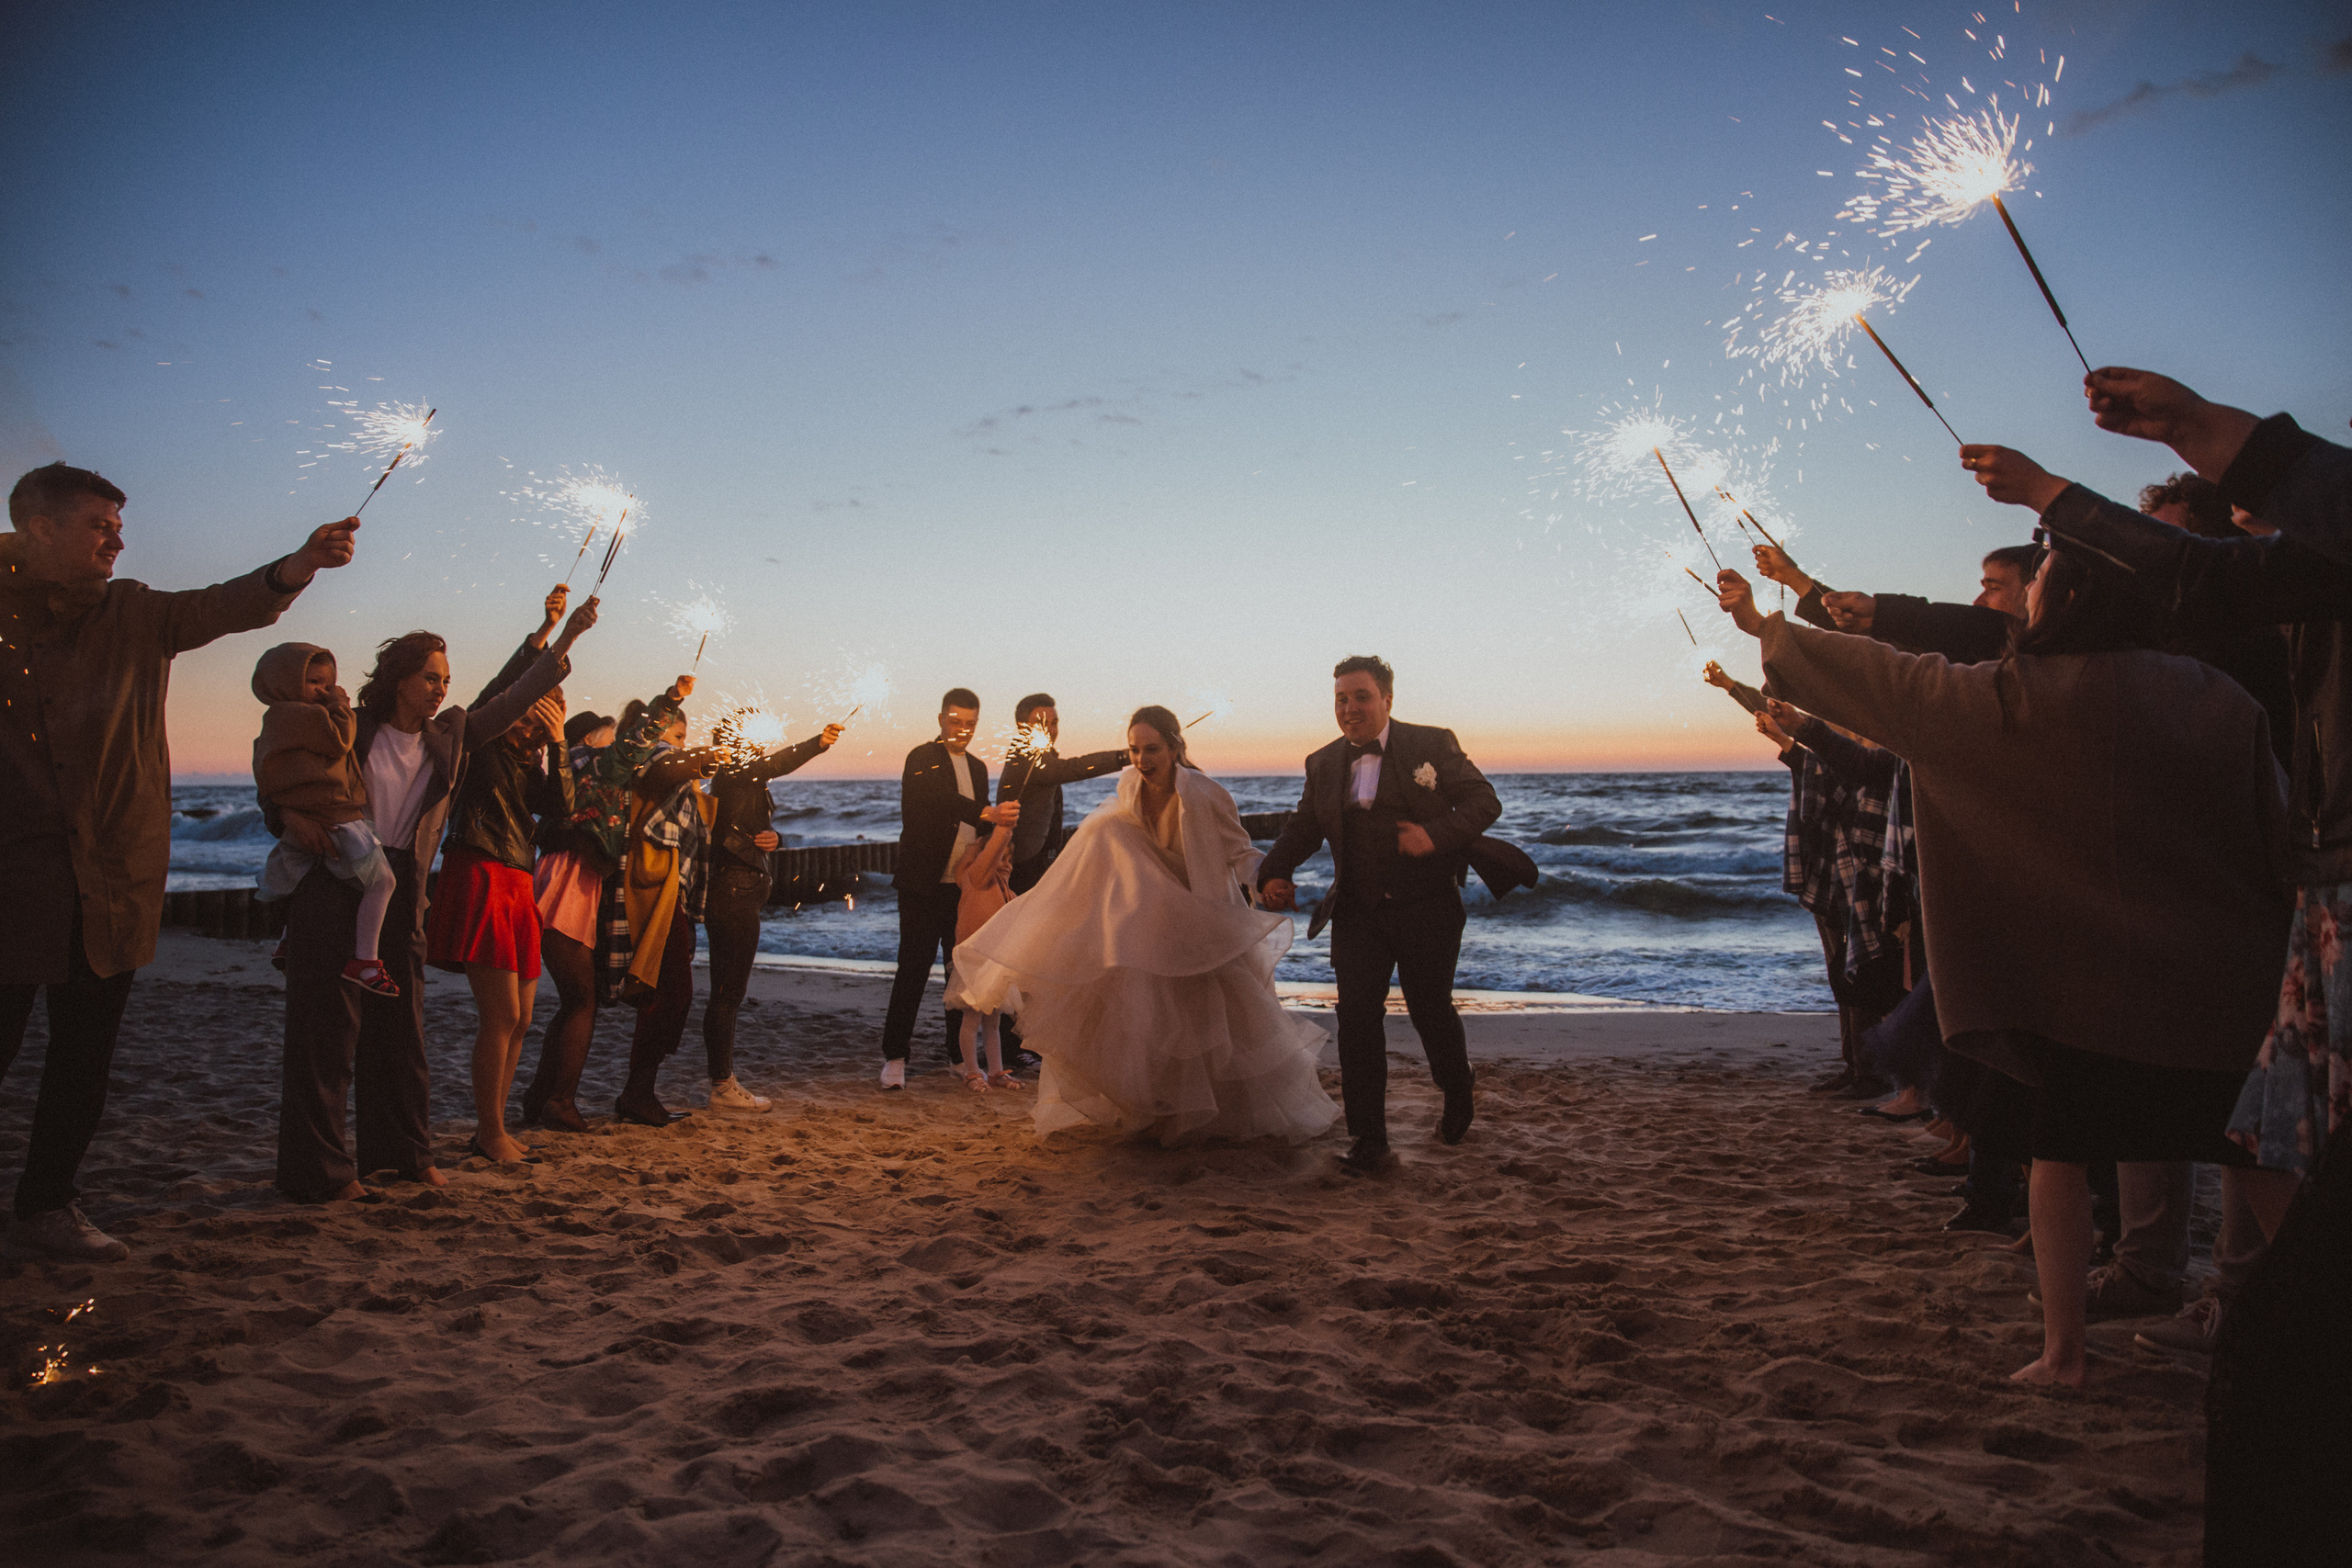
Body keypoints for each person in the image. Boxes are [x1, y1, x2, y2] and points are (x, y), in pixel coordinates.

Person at [1716, 551, 2290, 1387]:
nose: (2020, 601)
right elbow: (2276, 830)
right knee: (2252, 1155)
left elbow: (1892, 682)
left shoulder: (2015, 697)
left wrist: (1767, 629)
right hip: (2220, 985)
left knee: (2060, 1156)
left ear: (2066, 601)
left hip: (2091, 991)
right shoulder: (2222, 698)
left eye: (2038, 581)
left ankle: (2064, 1354)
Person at [3, 462, 356, 1258]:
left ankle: (46, 1206)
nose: (117, 540)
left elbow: (221, 605)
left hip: (112, 879)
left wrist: (299, 564)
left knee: (82, 1055)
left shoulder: (135, 611)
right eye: (99, 526)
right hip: (14, 877)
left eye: (118, 526)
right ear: (41, 529)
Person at [273, 592, 594, 1203]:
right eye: (429, 677)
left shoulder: (450, 737)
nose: (440, 689)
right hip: (334, 878)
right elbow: (284, 769)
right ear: (398, 679)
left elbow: (513, 697)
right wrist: (286, 813)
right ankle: (320, 1171)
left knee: (402, 1030)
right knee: (326, 1035)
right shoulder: (352, 728)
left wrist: (567, 636)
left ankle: (403, 1155)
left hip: (402, 885)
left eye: (445, 680)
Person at [952, 705, 1337, 1144]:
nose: (1141, 759)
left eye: (1152, 749)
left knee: (1211, 1023)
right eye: (1134, 750)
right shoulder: (1128, 786)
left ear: (1174, 747)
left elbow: (1239, 851)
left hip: (1201, 920)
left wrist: (1268, 880)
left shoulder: (1207, 793)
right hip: (1151, 925)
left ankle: (1214, 1116)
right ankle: (1157, 1111)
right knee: (1153, 1024)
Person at [1257, 656, 1503, 1173]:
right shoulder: (1322, 762)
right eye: (1341, 699)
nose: (1350, 708)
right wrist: (1273, 872)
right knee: (1356, 1021)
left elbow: (1484, 802)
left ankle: (1457, 1085)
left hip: (1427, 906)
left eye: (1361, 697)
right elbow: (1304, 827)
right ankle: (1369, 1140)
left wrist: (1433, 835)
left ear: (1387, 699)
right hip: (1357, 911)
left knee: (1430, 1010)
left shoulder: (1432, 743)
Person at [519, 683, 686, 1132]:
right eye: (609, 739)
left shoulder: (562, 773)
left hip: (558, 876)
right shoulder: (594, 766)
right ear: (588, 741)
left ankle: (538, 1096)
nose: (618, 748)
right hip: (571, 884)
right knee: (582, 1001)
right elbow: (636, 743)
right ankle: (560, 1101)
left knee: (572, 1000)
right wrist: (670, 700)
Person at [427, 671, 571, 1166]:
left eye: (547, 712)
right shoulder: (481, 744)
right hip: (482, 870)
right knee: (502, 1015)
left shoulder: (528, 761)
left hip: (518, 880)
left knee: (523, 1018)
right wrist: (549, 638)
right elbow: (499, 689)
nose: (534, 721)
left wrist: (559, 743)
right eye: (533, 708)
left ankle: (495, 1129)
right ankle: (489, 1133)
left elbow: (561, 807)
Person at [700, 707, 843, 1111]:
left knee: (727, 992)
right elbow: (776, 763)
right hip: (733, 891)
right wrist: (817, 744)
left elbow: (745, 827)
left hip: (739, 888)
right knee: (728, 993)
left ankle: (722, 1082)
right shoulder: (736, 769)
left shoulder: (743, 777)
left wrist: (772, 838)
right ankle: (722, 1085)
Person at [877, 689, 1017, 1090]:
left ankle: (958, 1057)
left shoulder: (977, 767)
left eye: (970, 724)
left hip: (962, 890)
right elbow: (938, 800)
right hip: (921, 885)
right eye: (955, 722)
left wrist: (1001, 830)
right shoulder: (921, 758)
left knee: (961, 975)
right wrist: (985, 811)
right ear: (941, 719)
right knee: (912, 971)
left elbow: (980, 823)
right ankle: (895, 1058)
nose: (962, 730)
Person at [249, 643, 398, 996]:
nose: (324, 692)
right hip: (336, 815)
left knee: (299, 872)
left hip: (309, 811)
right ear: (286, 682)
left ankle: (287, 940)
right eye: (314, 682)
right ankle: (366, 961)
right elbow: (339, 740)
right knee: (382, 882)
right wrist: (340, 704)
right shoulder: (301, 715)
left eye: (329, 684)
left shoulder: (276, 720)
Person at [614, 698, 717, 1125]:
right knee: (670, 993)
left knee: (666, 993)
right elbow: (662, 765)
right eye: (676, 736)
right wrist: (705, 758)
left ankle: (636, 1091)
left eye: (685, 739)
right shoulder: (649, 760)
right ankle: (636, 1094)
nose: (680, 746)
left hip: (672, 891)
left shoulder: (679, 779)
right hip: (652, 888)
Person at [1751, 538, 2032, 662]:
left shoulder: (2035, 669)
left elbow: (1984, 627)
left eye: (1994, 588)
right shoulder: (1965, 663)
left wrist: (1880, 613)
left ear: (2035, 595)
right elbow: (1882, 643)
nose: (1978, 600)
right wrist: (1794, 577)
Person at [998, 693, 1126, 894]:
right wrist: (1124, 756)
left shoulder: (1042, 756)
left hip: (1042, 858)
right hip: (1022, 866)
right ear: (1023, 727)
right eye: (1041, 724)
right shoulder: (1023, 757)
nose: (1050, 730)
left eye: (1054, 723)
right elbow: (1072, 768)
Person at [943, 809, 1020, 1091]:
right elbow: (988, 856)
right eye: (1001, 858)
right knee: (971, 1020)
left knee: (993, 1022)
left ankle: (996, 1071)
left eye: (1010, 861)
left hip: (996, 964)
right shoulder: (976, 880)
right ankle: (973, 1073)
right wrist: (1003, 830)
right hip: (975, 962)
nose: (1006, 865)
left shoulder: (1009, 894)